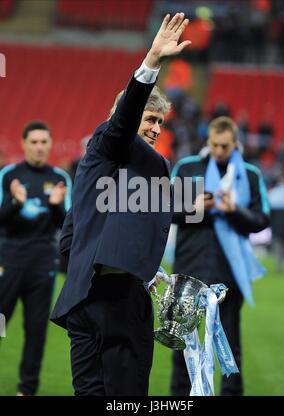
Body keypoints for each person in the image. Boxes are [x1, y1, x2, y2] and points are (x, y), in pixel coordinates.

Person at [50, 13, 191, 396]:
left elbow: (69, 239)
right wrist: (152, 61)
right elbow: (125, 120)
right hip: (112, 302)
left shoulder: (104, 170)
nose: (157, 129)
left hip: (87, 297)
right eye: (150, 118)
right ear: (124, 118)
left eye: (161, 122)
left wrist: (139, 267)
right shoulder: (108, 141)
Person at [170, 116, 270, 396]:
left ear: (235, 143)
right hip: (188, 272)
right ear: (208, 140)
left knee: (230, 350)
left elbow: (262, 219)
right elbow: (164, 211)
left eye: (224, 146)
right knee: (182, 349)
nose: (218, 151)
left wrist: (234, 210)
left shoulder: (248, 174)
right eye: (214, 145)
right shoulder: (187, 168)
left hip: (229, 275)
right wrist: (194, 207)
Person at [0, 120, 72, 396]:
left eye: (44, 142)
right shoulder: (8, 175)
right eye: (34, 142)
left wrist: (55, 206)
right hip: (9, 261)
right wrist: (14, 202)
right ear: (24, 143)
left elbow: (66, 226)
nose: (39, 147)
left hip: (43, 265)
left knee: (36, 331)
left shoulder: (60, 179)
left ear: (50, 144)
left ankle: (26, 390)